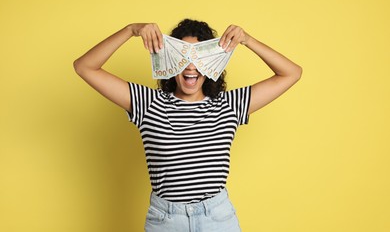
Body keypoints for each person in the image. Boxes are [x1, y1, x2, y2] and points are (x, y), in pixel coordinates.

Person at [73, 19, 302, 232]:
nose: (191, 67)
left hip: (217, 219)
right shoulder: (148, 103)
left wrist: (247, 40)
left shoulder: (229, 105)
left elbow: (291, 73)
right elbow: (85, 67)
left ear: (212, 62)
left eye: (199, 58)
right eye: (183, 57)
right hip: (165, 220)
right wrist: (131, 30)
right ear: (170, 60)